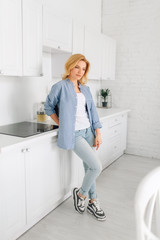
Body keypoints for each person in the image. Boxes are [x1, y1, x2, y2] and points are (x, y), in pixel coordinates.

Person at [44, 54, 106, 221]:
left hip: (89, 132)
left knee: (89, 168)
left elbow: (92, 112)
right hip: (75, 134)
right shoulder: (60, 86)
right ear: (70, 66)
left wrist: (98, 133)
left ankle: (93, 201)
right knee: (96, 167)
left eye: (83, 69)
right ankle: (81, 194)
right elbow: (48, 107)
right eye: (77, 67)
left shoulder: (85, 89)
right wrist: (62, 123)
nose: (80, 71)